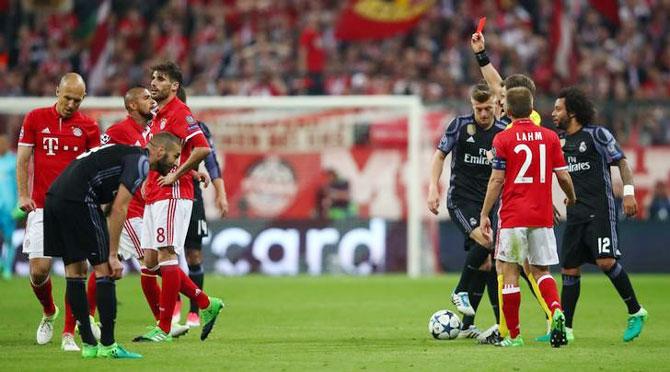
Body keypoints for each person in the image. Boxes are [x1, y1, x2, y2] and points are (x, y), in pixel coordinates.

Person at [44, 132, 182, 359]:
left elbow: (107, 201)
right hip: (80, 199)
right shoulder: (140, 162)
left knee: (75, 272)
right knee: (105, 271)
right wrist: (112, 254)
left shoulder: (122, 155)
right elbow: (119, 208)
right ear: (159, 151)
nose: (176, 162)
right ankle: (108, 345)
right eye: (175, 155)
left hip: (54, 197)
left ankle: (89, 346)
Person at [471, 31, 555, 343]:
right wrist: (481, 55)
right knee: (528, 268)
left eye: (504, 97)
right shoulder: (526, 118)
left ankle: (514, 332)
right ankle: (549, 320)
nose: (499, 99)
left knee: (515, 268)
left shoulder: (522, 122)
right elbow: (496, 85)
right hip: (535, 203)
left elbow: (498, 87)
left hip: (518, 206)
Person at [480, 87, 577, 348]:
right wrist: (572, 197)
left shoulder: (502, 139)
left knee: (508, 272)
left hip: (513, 216)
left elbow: (497, 179)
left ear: (508, 111)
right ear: (532, 107)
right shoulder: (549, 137)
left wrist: (483, 213)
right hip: (542, 215)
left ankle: (513, 336)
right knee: (541, 270)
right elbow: (564, 176)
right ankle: (556, 310)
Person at [136, 61, 224, 342]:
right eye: (152, 77)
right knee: (150, 262)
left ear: (174, 86)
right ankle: (207, 303)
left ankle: (163, 328)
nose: (154, 83)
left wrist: (178, 176)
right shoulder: (157, 115)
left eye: (160, 79)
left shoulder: (180, 113)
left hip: (173, 195)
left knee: (167, 255)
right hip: (154, 193)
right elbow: (173, 153)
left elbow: (202, 147)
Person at [552, 86, 648, 342]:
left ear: (572, 112)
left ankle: (636, 311)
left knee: (606, 262)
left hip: (599, 211)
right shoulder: (558, 141)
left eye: (558, 109)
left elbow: (622, 162)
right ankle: (566, 330)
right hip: (574, 212)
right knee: (570, 269)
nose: (554, 113)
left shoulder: (597, 135)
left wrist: (628, 192)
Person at [16, 72, 101, 351]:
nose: (71, 104)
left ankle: (68, 334)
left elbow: (95, 170)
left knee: (76, 270)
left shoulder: (89, 127)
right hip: (42, 205)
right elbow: (23, 159)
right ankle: (49, 311)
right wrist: (24, 194)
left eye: (77, 100)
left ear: (83, 99)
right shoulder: (35, 118)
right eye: (67, 97)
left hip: (75, 208)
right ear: (57, 92)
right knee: (39, 271)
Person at [427, 83, 506, 338]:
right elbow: (440, 156)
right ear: (472, 105)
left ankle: (471, 325)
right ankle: (460, 291)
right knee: (487, 242)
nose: (483, 114)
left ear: (496, 104)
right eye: (478, 109)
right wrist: (432, 188)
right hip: (461, 201)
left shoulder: (503, 131)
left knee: (488, 264)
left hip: (490, 204)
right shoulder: (459, 126)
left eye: (487, 108)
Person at [175, 87, 229, 328]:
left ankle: (195, 311)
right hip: (161, 194)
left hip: (190, 195)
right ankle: (172, 304)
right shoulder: (154, 126)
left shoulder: (197, 128)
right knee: (162, 255)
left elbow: (211, 161)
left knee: (193, 253)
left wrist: (221, 193)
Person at [0, 134, 18, 279]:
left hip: (9, 207)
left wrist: (18, 205)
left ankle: (7, 268)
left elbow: (20, 184)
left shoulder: (14, 161)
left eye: (4, 143)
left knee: (8, 238)